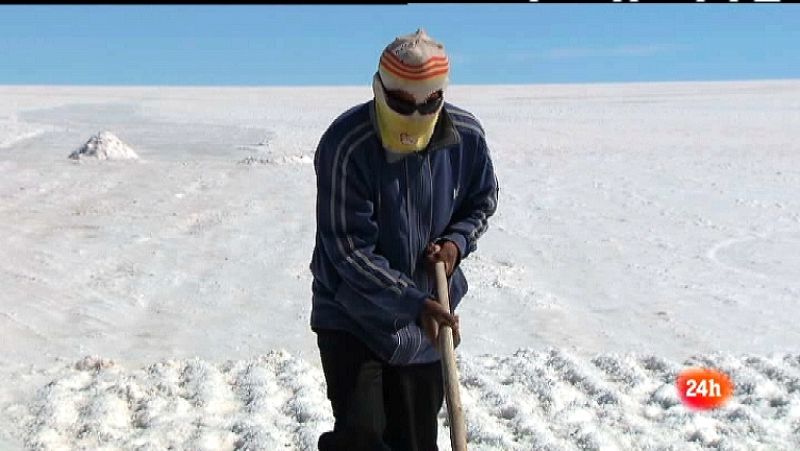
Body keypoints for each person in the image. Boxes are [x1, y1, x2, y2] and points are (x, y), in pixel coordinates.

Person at [309, 28, 499, 451]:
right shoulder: (347, 145)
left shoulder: (465, 137)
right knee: (362, 437)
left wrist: (455, 244)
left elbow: (482, 199)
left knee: (414, 442)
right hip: (353, 314)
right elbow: (348, 249)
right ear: (379, 89)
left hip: (427, 323)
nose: (414, 117)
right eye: (400, 104)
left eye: (428, 104)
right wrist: (414, 301)